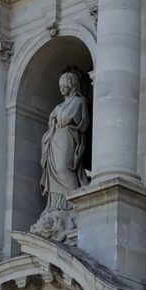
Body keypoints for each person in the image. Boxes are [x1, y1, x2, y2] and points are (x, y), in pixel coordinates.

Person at [30, 71, 89, 240]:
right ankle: (58, 205)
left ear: (72, 85)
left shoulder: (78, 101)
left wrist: (58, 115)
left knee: (63, 168)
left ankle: (75, 203)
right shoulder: (60, 105)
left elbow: (70, 119)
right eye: (60, 86)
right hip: (55, 138)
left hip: (68, 137)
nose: (62, 89)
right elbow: (54, 121)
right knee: (54, 170)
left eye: (65, 85)